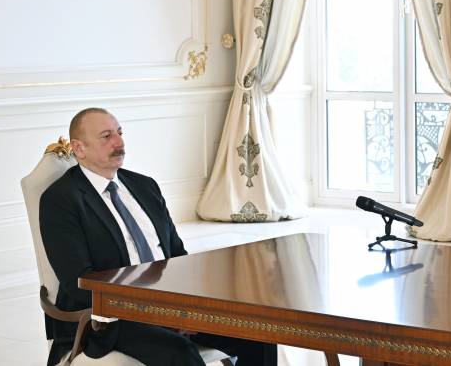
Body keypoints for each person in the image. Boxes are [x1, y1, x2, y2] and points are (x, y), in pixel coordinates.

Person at [39, 108, 277, 366]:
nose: (119, 142)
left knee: (259, 331)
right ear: (79, 148)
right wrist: (156, 312)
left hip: (168, 303)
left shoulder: (145, 186)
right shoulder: (61, 200)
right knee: (179, 352)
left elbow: (177, 255)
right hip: (110, 318)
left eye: (119, 133)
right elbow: (78, 282)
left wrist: (187, 308)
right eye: (106, 136)